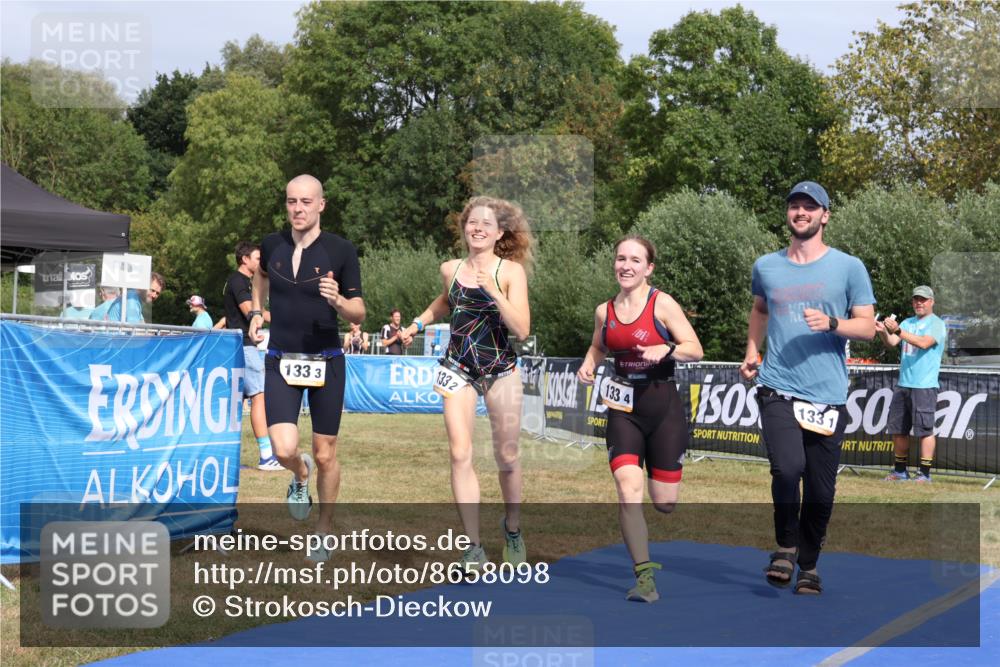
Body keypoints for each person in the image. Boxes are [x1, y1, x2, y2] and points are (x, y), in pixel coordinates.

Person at [740, 181, 875, 595]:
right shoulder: (766, 266)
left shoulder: (849, 267)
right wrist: (751, 350)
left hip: (827, 394)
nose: (801, 212)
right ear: (788, 214)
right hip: (777, 384)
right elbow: (760, 309)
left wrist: (833, 323)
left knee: (820, 490)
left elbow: (868, 327)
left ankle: (810, 565)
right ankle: (785, 545)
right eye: (795, 206)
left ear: (825, 215)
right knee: (787, 467)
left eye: (810, 207)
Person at [399, 196, 533, 571]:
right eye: (472, 223)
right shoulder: (450, 268)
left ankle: (512, 528)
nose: (478, 229)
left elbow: (522, 328)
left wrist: (492, 290)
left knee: (506, 456)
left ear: (499, 233)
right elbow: (445, 301)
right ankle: (473, 548)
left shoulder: (510, 272)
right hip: (458, 367)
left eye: (486, 225)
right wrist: (416, 325)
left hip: (500, 368)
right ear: (464, 228)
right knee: (460, 454)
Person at [576, 236, 703, 603]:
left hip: (663, 408)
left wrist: (668, 348)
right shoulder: (605, 311)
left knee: (664, 502)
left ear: (649, 268)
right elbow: (599, 344)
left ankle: (663, 482)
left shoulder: (662, 304)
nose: (626, 266)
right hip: (623, 410)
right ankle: (644, 577)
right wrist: (590, 363)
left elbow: (695, 348)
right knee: (627, 489)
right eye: (620, 259)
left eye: (635, 260)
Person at [248, 174, 365, 562]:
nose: (297, 209)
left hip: (326, 362)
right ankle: (300, 475)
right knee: (283, 449)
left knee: (327, 454)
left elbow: (360, 310)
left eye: (305, 202)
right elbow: (260, 276)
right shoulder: (272, 245)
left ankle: (324, 530)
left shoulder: (341, 251)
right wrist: (259, 311)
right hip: (281, 359)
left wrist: (338, 302)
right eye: (291, 202)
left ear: (321, 205)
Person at [877, 286, 947, 483]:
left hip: (924, 385)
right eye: (916, 299)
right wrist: (883, 331)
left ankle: (924, 474)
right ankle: (900, 471)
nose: (919, 302)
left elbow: (924, 343)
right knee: (898, 430)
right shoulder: (908, 322)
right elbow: (891, 342)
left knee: (925, 431)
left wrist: (898, 330)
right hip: (903, 384)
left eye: (923, 299)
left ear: (932, 301)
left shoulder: (937, 324)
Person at [223, 241, 281, 472]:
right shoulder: (239, 282)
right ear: (244, 259)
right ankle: (267, 456)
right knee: (259, 397)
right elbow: (251, 312)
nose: (261, 263)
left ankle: (230, 458)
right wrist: (283, 317)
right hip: (245, 347)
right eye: (257, 258)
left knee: (239, 402)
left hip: (237, 346)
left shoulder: (235, 281)